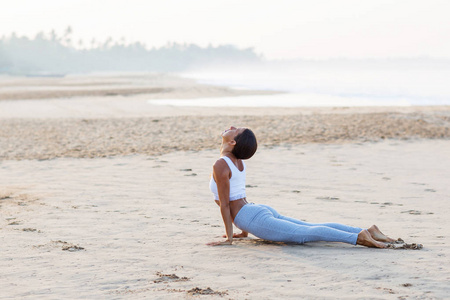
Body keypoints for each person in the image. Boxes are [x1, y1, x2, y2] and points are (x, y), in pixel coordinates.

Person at [207, 126, 395, 248]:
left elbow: (225, 204)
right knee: (310, 226)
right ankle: (369, 231)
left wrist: (229, 239)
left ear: (232, 142)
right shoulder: (236, 161)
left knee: (304, 234)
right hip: (253, 210)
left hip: (249, 215)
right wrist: (243, 231)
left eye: (235, 129)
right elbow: (237, 196)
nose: (231, 127)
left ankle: (359, 237)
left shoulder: (221, 164)